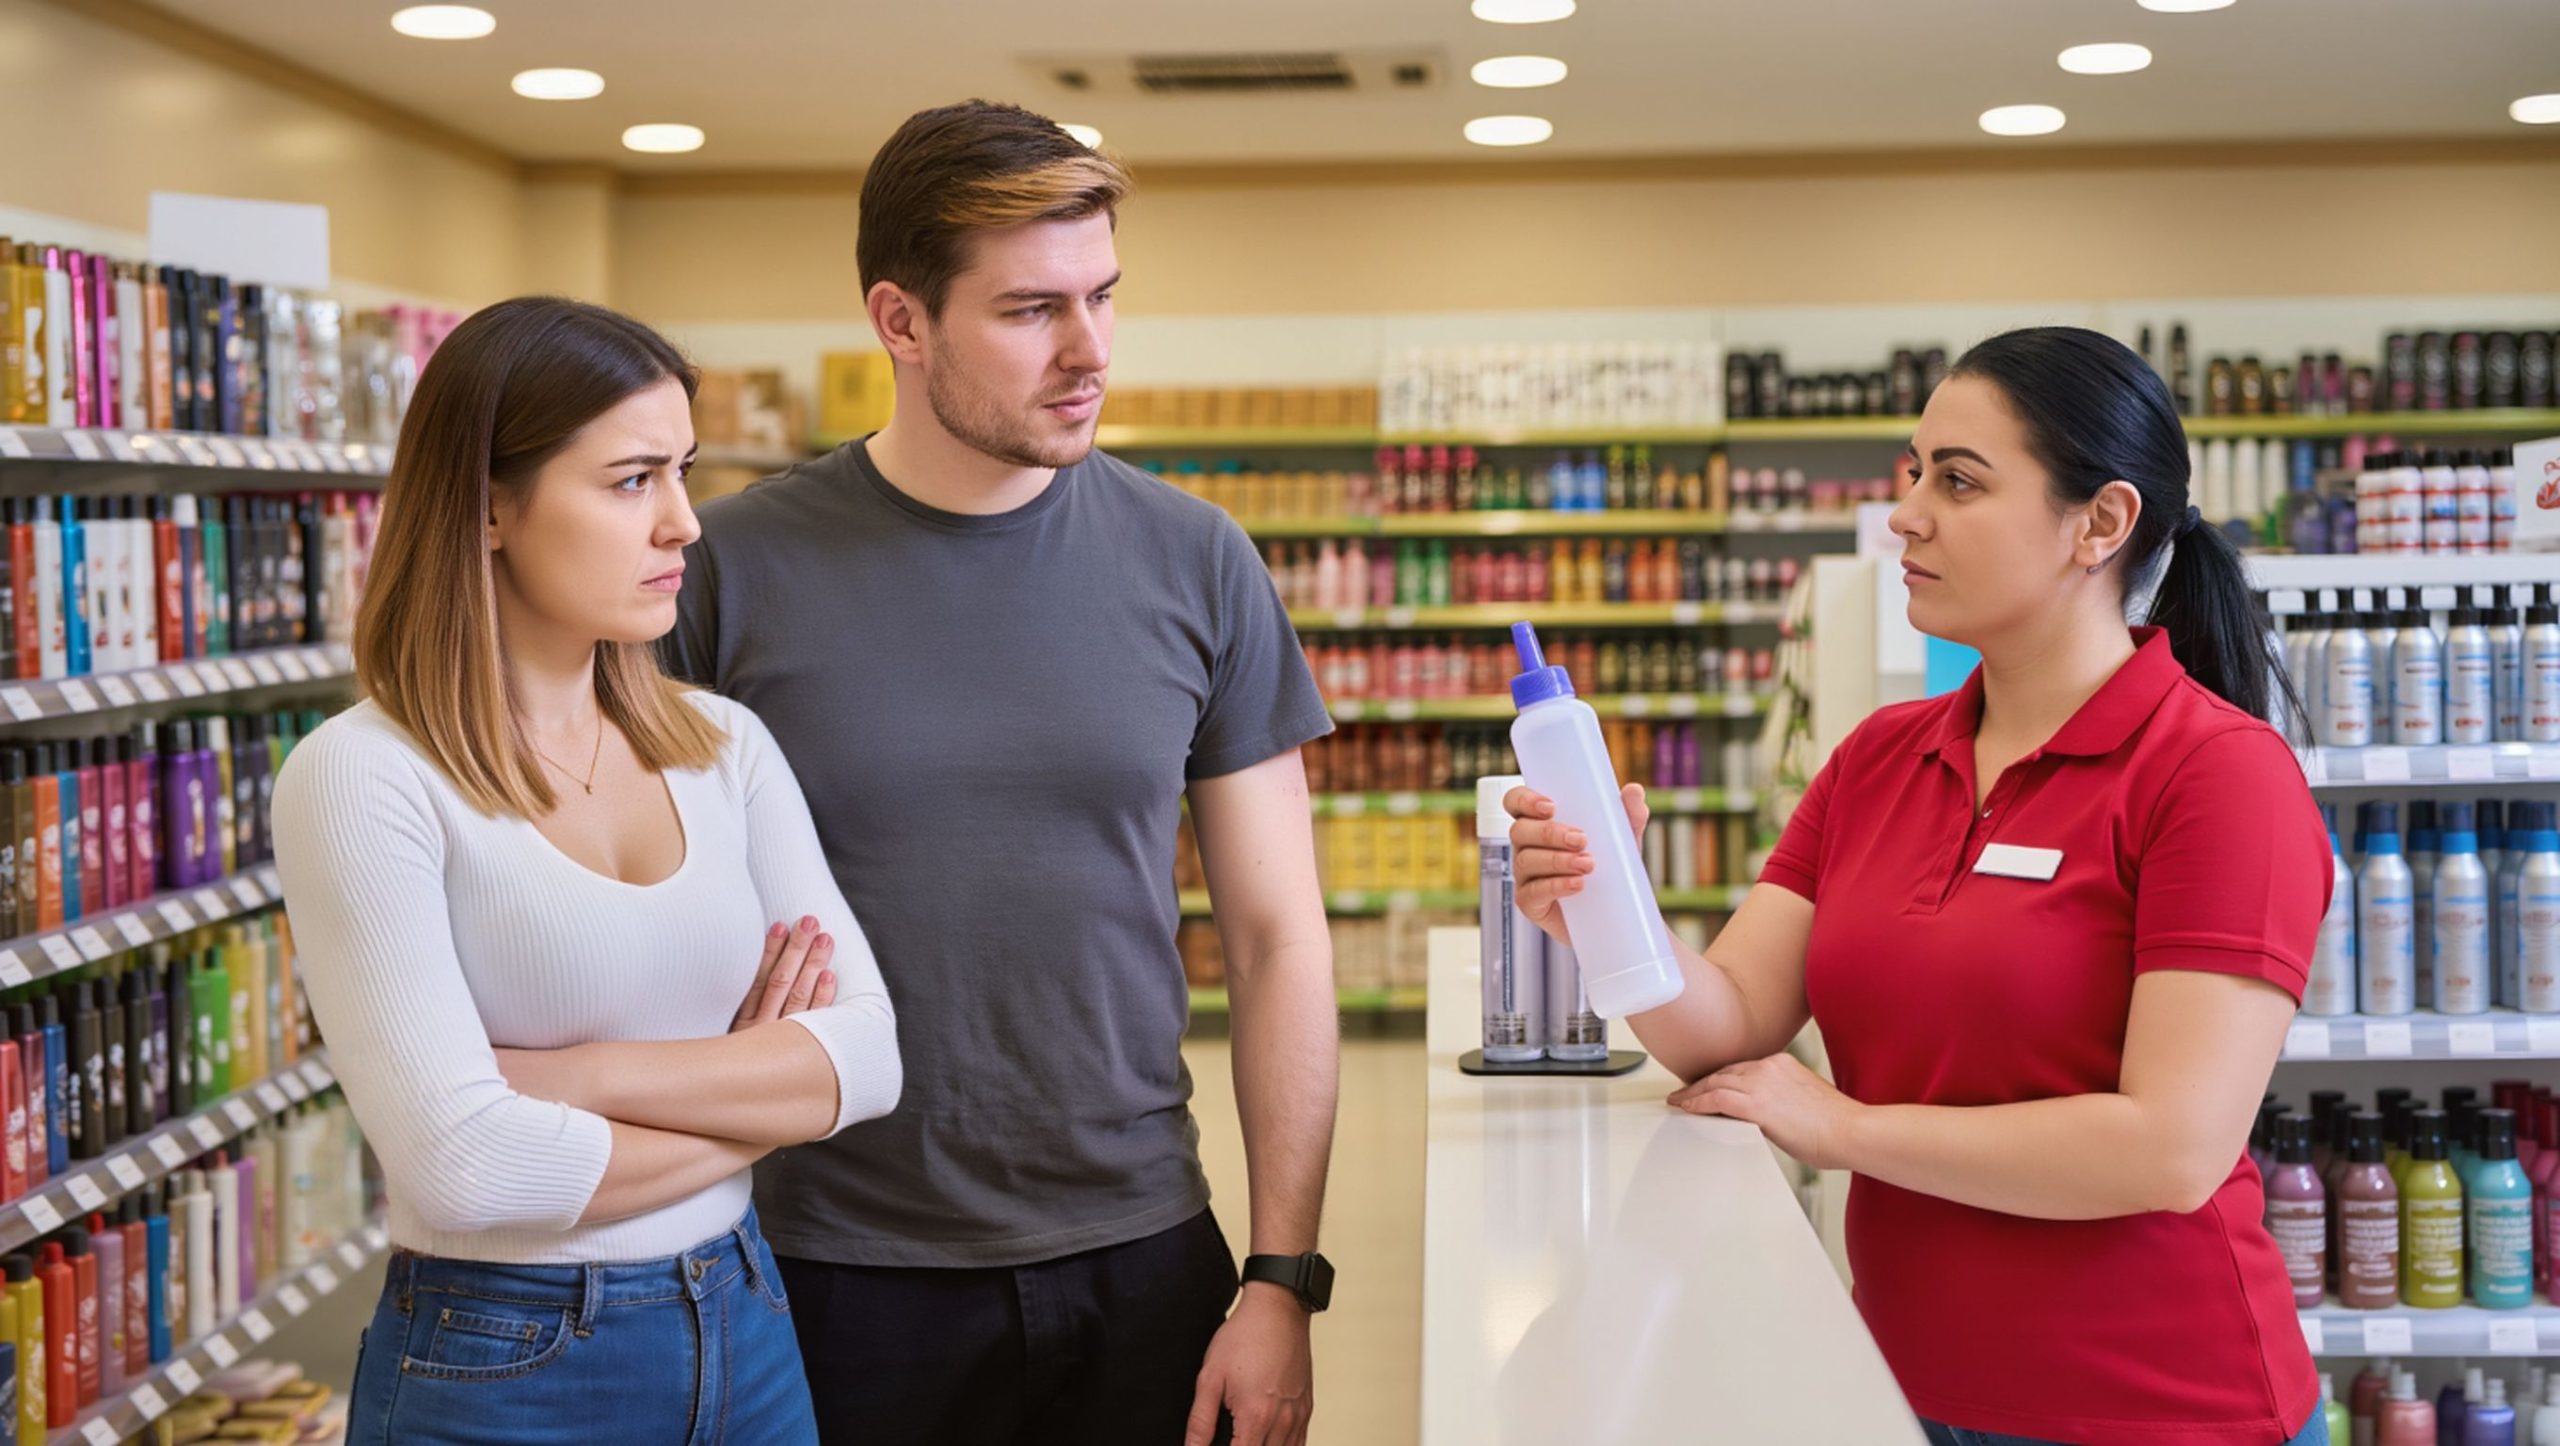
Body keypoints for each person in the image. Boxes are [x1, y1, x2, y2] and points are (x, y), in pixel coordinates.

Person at [1510, 326, 2331, 1446]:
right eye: (1914, 471)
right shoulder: (1879, 757)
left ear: (2101, 522)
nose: (1904, 513)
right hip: (1899, 1385)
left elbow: (2169, 1148)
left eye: (1957, 480)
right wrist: (1605, 909)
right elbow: (1731, 1024)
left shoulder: (2218, 774)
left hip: (2154, 1405)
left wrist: (1845, 1128)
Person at [666, 100, 1340, 1446]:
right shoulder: (724, 572)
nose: (1090, 351)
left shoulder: (1198, 559)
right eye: (1032, 310)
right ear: (901, 322)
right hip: (831, 1266)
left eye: (1102, 297)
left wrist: (1280, 1280)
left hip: (1144, 1251)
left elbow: (1277, 938)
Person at [273, 297, 902, 1444]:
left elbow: (864, 1062)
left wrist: (571, 1075)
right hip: (503, 1363)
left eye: (685, 472)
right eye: (631, 480)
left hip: (748, 1322)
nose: (684, 525)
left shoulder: (722, 745)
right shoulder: (363, 778)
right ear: (489, 507)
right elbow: (466, 1168)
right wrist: (759, 1097)